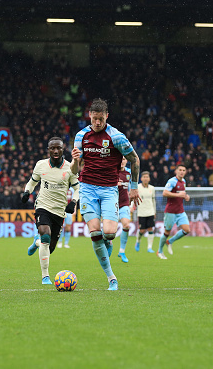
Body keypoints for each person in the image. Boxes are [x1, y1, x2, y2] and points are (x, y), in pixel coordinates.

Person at [71, 98, 141, 291]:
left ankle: (107, 242)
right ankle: (111, 277)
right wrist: (75, 161)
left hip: (110, 189)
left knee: (109, 233)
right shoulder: (81, 136)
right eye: (94, 119)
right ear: (90, 116)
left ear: (107, 116)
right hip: (87, 188)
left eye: (101, 119)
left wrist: (134, 186)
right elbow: (75, 170)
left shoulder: (116, 137)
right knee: (95, 232)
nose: (97, 123)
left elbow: (134, 159)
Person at [23, 137, 79, 285]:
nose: (55, 151)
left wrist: (73, 202)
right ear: (48, 149)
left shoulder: (70, 168)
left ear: (63, 149)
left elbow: (78, 188)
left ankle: (37, 243)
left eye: (58, 148)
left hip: (59, 211)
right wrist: (27, 192)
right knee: (46, 237)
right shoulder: (41, 165)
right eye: (52, 148)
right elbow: (32, 182)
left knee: (50, 247)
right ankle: (45, 276)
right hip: (43, 206)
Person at [157, 165, 190, 260]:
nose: (182, 172)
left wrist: (186, 196)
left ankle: (170, 242)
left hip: (180, 210)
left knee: (187, 230)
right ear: (176, 171)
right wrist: (178, 195)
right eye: (180, 170)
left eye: (184, 170)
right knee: (167, 231)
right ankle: (159, 251)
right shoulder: (172, 181)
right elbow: (165, 193)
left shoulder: (184, 182)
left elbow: (182, 194)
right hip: (171, 211)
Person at [134, 171, 156, 253]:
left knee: (150, 229)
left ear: (149, 179)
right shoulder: (138, 187)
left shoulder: (152, 188)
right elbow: (134, 197)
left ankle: (149, 247)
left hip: (150, 211)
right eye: (144, 177)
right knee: (142, 230)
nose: (146, 178)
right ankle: (138, 241)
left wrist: (154, 211)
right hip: (141, 212)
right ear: (141, 178)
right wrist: (132, 206)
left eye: (147, 177)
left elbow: (154, 201)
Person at [117, 157, 132, 263]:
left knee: (126, 225)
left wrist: (132, 199)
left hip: (124, 204)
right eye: (121, 159)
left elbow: (130, 187)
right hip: (111, 204)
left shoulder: (129, 172)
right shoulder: (112, 170)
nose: (122, 161)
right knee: (110, 232)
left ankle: (122, 251)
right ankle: (108, 243)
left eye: (124, 159)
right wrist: (114, 184)